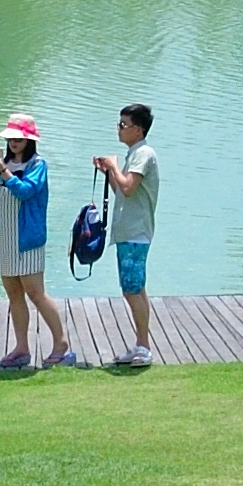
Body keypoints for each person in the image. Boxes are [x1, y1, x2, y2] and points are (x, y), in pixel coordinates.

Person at [0, 115, 75, 371]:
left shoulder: (37, 165)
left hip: (28, 239)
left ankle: (61, 344)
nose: (13, 142)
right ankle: (22, 348)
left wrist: (2, 171)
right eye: (10, 138)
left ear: (28, 140)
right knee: (13, 294)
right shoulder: (4, 164)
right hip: (5, 237)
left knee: (35, 293)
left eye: (18, 138)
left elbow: (25, 191)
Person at [91, 103, 161, 369]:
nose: (119, 129)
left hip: (136, 232)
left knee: (132, 289)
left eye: (124, 125)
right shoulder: (135, 153)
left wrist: (113, 166)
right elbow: (122, 188)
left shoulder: (143, 153)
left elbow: (129, 188)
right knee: (135, 288)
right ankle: (141, 345)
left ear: (138, 129)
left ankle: (143, 346)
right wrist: (109, 171)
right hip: (131, 232)